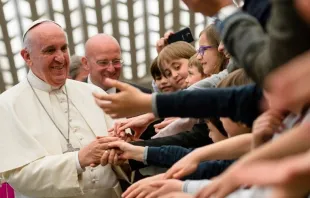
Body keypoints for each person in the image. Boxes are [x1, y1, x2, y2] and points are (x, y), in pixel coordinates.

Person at [0, 19, 122, 198]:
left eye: (64, 48)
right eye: (50, 50)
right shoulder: (7, 104)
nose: (60, 58)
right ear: (27, 56)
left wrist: (123, 149)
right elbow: (19, 176)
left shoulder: (93, 93)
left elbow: (117, 155)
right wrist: (78, 159)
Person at [82, 33, 151, 94]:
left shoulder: (141, 96)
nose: (111, 69)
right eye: (103, 62)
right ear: (86, 63)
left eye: (116, 61)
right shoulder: (73, 97)